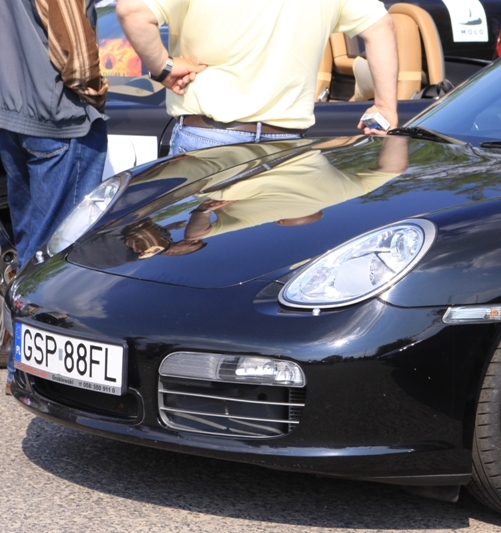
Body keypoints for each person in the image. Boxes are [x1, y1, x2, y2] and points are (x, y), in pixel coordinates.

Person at [116, 0, 399, 155]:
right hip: (288, 147)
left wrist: (163, 68)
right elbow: (381, 26)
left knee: (207, 249)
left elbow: (132, 10)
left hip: (207, 142)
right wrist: (386, 107)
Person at [0, 0, 109, 392]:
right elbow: (75, 48)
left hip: (12, 115)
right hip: (57, 117)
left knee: (33, 247)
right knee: (59, 260)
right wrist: (94, 89)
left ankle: (21, 367)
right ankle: (37, 378)